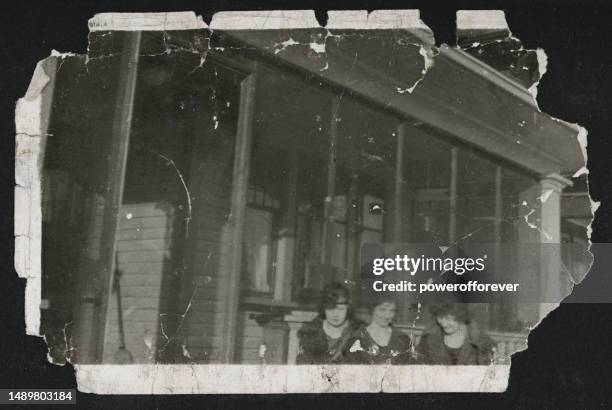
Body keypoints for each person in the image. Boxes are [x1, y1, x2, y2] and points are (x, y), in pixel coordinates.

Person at [296, 282, 361, 364]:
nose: (335, 314)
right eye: (330, 309)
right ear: (323, 308)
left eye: (340, 309)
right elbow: (302, 370)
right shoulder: (310, 333)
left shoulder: (359, 334)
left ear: (348, 309)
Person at [415, 303, 496, 365]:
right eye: (440, 317)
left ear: (462, 316)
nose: (444, 323)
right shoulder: (428, 339)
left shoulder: (483, 343)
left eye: (448, 319)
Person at [343, 296, 413, 364]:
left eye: (392, 310)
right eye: (382, 309)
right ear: (372, 309)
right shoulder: (357, 339)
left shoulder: (403, 339)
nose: (387, 315)